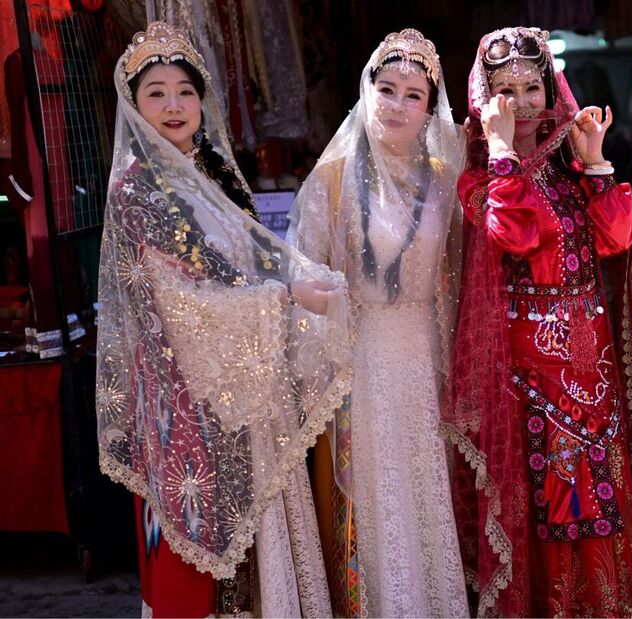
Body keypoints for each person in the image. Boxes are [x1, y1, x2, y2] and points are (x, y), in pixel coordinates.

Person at [95, 21, 351, 617]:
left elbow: (251, 264)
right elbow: (182, 305)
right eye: (156, 92)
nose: (174, 105)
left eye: (185, 90)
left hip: (241, 378)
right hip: (183, 395)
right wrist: (287, 300)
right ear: (134, 105)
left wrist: (289, 282)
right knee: (193, 545)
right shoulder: (138, 193)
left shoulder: (209, 174)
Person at [442, 26, 632, 617]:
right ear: (483, 103)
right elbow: (516, 233)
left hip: (592, 363)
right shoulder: (480, 180)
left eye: (531, 88)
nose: (520, 104)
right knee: (549, 508)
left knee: (598, 499)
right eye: (503, 91)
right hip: (529, 378)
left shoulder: (568, 167)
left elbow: (617, 240)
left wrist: (595, 163)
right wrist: (504, 150)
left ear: (550, 88)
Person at [288, 28, 469, 618]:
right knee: (374, 499)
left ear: (430, 107)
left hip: (426, 358)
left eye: (413, 94)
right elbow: (304, 279)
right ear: (366, 91)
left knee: (425, 493)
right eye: (385, 88)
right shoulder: (331, 181)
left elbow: (466, 278)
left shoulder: (447, 180)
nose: (396, 105)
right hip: (359, 363)